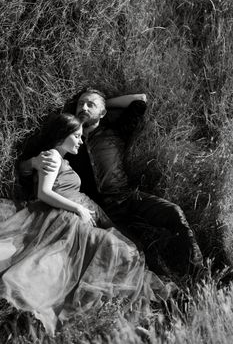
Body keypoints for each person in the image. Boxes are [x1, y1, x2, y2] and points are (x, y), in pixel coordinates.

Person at [0, 113, 172, 336]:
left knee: (115, 247)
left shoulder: (62, 158)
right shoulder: (53, 155)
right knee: (113, 246)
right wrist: (78, 208)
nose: (81, 141)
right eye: (77, 136)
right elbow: (44, 193)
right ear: (64, 135)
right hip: (59, 217)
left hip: (67, 217)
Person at [19, 89, 203, 280]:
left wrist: (105, 103)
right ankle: (167, 284)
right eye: (80, 103)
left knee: (174, 212)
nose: (83, 107)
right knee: (133, 251)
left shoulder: (113, 131)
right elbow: (27, 167)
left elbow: (140, 101)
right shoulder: (67, 142)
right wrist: (32, 163)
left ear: (103, 112)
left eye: (91, 104)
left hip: (127, 197)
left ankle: (197, 271)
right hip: (101, 210)